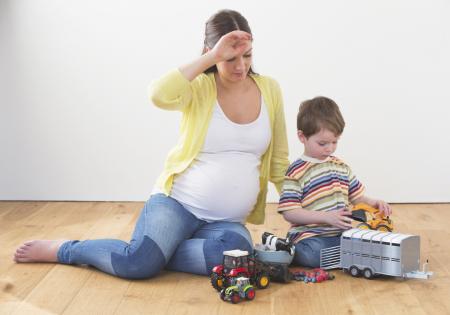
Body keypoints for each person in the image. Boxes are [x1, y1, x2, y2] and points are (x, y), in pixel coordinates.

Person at [13, 9, 289, 279]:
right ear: (210, 51)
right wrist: (212, 57)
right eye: (230, 58)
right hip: (177, 203)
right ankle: (66, 250)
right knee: (137, 264)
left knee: (237, 255)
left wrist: (303, 210)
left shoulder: (270, 89)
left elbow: (278, 161)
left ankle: (158, 251)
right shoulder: (199, 87)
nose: (241, 66)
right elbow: (158, 95)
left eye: (247, 55)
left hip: (225, 223)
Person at [277, 96, 391, 268]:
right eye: (322, 143)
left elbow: (357, 198)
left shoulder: (341, 166)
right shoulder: (296, 171)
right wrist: (326, 217)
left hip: (341, 234)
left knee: (368, 238)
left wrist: (375, 202)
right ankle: (347, 254)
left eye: (334, 142)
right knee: (312, 254)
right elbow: (290, 212)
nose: (329, 148)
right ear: (302, 136)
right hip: (310, 237)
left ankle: (345, 254)